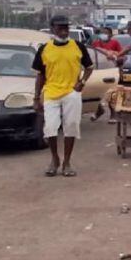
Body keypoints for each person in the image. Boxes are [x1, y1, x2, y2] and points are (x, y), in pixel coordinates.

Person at [32, 15, 93, 177]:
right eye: (60, 27)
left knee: (71, 126)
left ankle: (67, 162)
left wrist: (82, 82)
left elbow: (89, 67)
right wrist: (36, 97)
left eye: (66, 27)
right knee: (50, 128)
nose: (64, 30)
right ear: (53, 29)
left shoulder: (78, 46)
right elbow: (40, 75)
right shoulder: (44, 49)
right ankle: (54, 159)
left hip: (71, 92)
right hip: (51, 92)